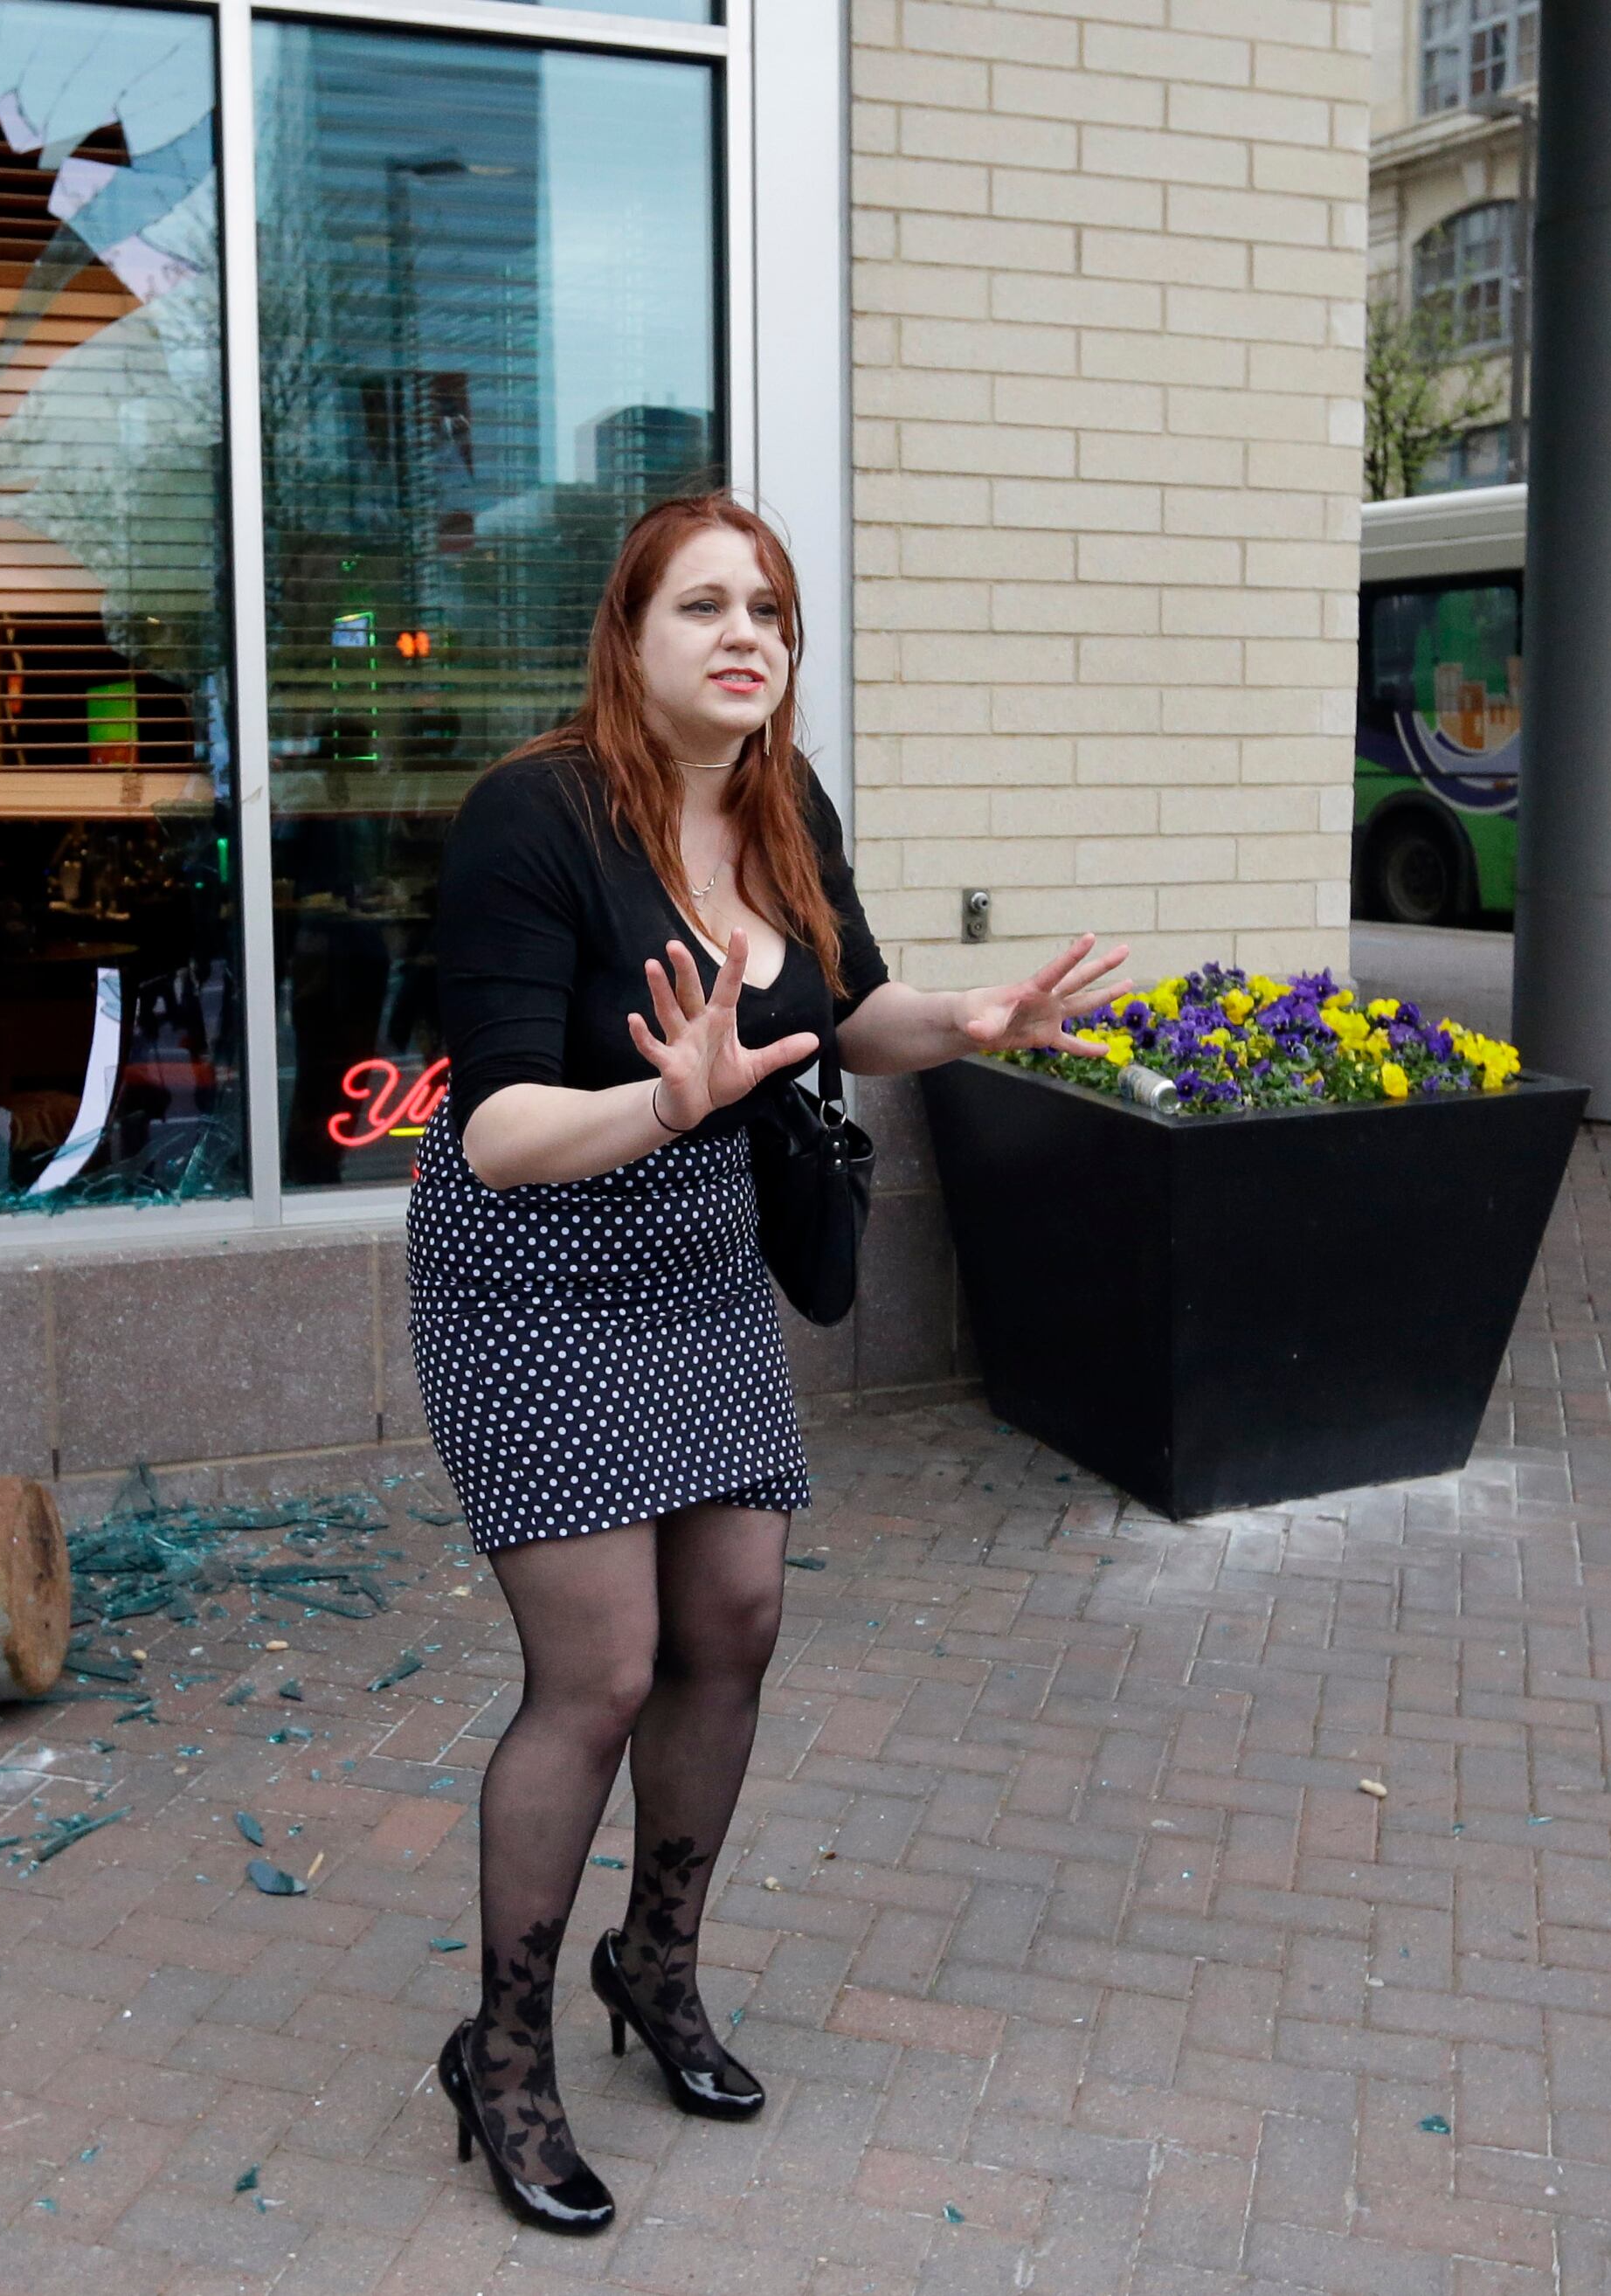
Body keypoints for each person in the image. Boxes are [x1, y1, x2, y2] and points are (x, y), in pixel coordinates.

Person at [413, 493, 1124, 2233]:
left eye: (773, 613)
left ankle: (653, 1967)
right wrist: (660, 1102)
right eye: (706, 607)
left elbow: (838, 1008)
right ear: (632, 637)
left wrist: (957, 1025)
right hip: (537, 1270)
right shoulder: (534, 819)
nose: (748, 636)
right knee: (599, 1672)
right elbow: (498, 1129)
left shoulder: (784, 804)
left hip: (698, 1269)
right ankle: (500, 2059)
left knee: (734, 1621)